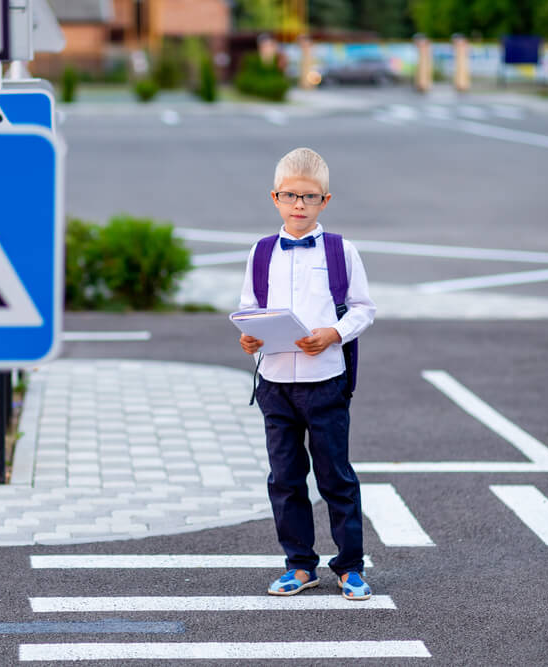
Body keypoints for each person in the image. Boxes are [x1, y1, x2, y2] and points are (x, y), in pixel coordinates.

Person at [237, 147, 376, 600]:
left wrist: (334, 333)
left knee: (335, 475)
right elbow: (249, 310)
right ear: (274, 197)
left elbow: (362, 309)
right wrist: (249, 338)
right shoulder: (261, 252)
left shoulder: (341, 251)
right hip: (275, 383)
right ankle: (299, 564)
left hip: (325, 382)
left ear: (325, 201)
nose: (299, 205)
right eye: (290, 196)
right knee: (285, 477)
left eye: (310, 197)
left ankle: (350, 566)